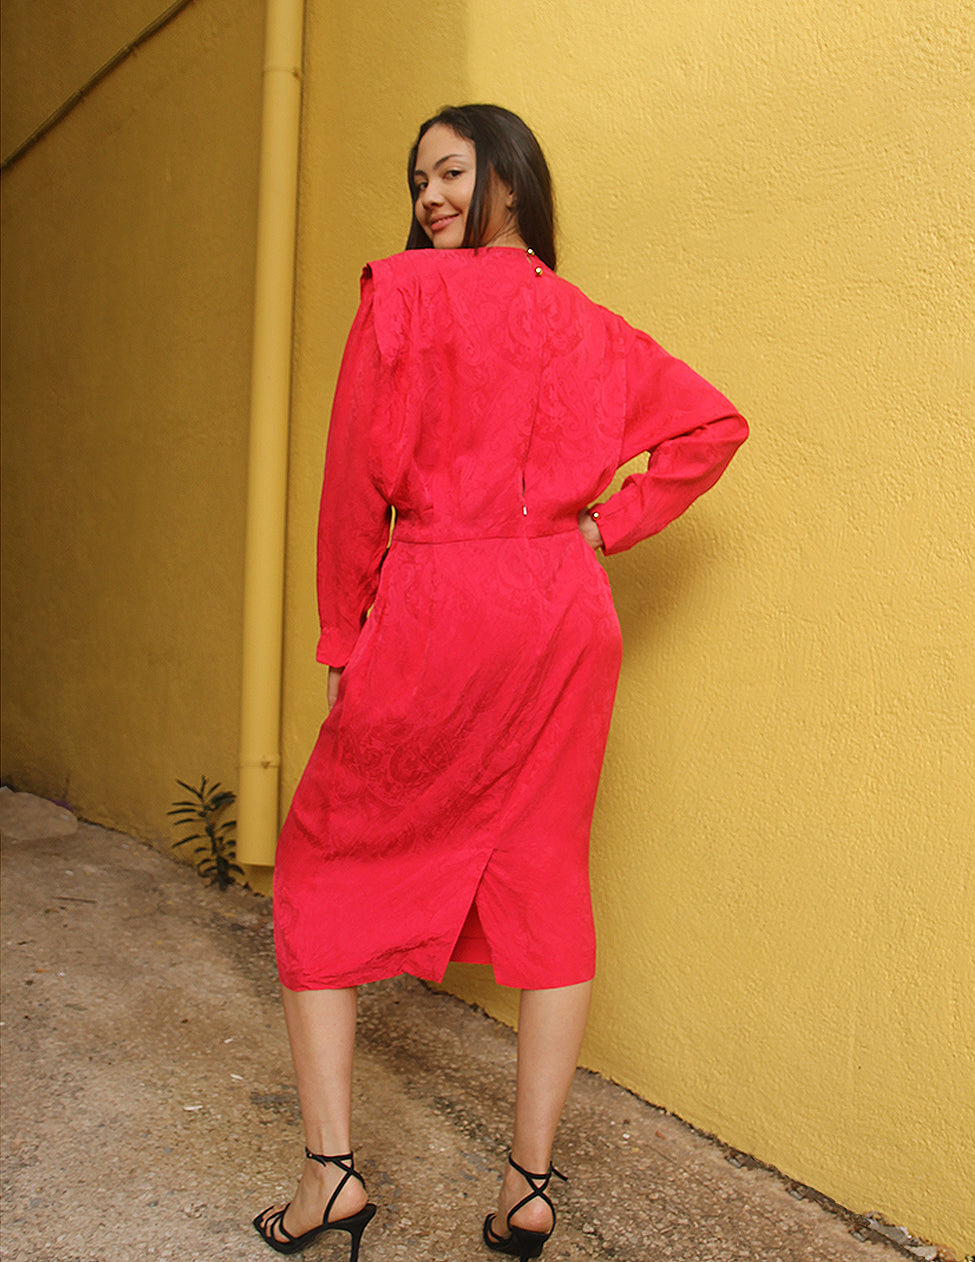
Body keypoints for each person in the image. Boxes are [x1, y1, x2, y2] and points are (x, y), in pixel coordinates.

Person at [253, 104, 747, 1260]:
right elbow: (710, 426)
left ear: (508, 183)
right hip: (561, 618)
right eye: (416, 176)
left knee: (321, 872)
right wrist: (603, 530)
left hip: (435, 603)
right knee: (541, 877)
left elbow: (347, 488)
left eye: (449, 172)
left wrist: (340, 639)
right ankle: (526, 1188)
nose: (427, 195)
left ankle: (330, 1176)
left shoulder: (399, 295)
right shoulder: (580, 320)